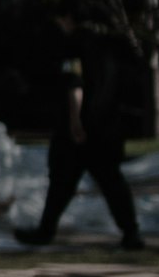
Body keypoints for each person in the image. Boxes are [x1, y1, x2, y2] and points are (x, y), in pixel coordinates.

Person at [14, 41, 143, 250]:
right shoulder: (110, 50)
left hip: (80, 133)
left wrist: (75, 122)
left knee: (62, 183)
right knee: (111, 183)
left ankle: (46, 230)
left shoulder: (75, 48)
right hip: (106, 128)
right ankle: (131, 231)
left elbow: (75, 85)